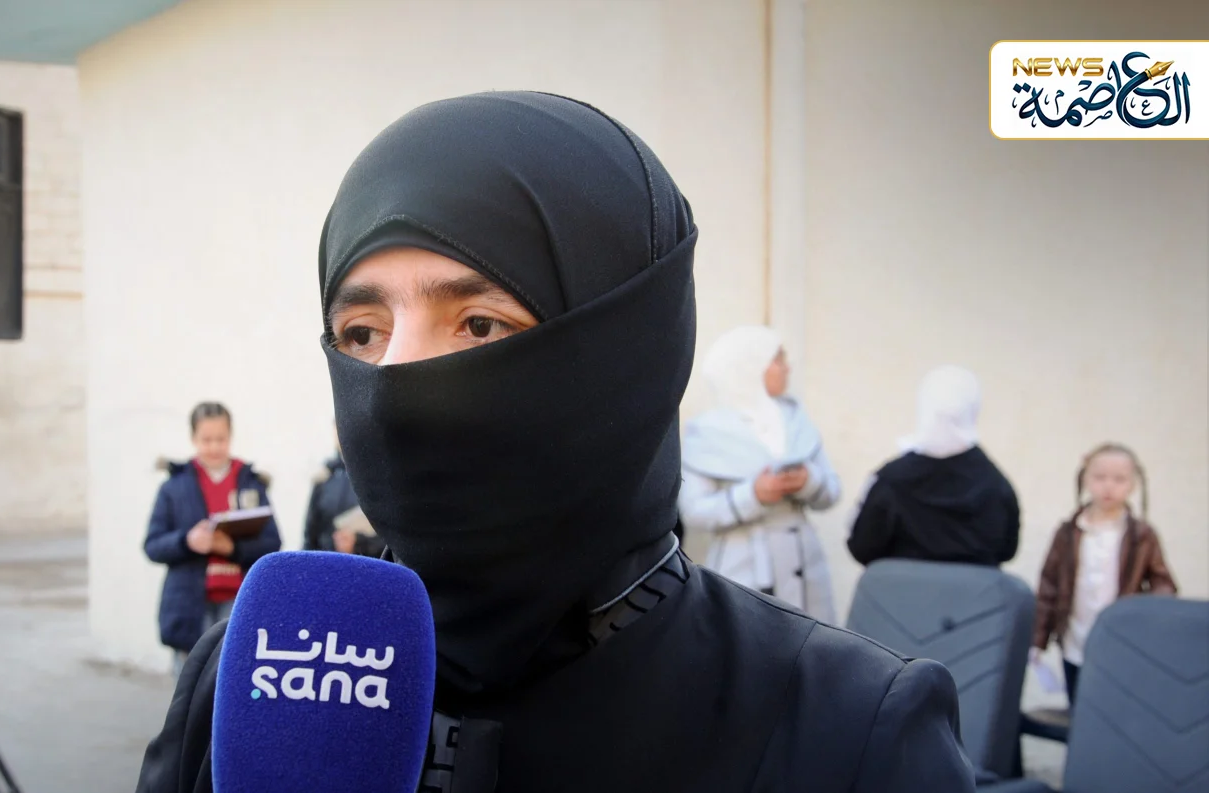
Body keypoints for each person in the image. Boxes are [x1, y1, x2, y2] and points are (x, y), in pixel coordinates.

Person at [136, 92, 974, 793]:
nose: (393, 385)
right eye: (361, 331)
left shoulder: (847, 729)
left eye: (478, 323)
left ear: (627, 352)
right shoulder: (253, 672)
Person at [678, 325, 841, 623]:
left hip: (804, 568)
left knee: (812, 644)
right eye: (778, 359)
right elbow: (694, 512)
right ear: (750, 366)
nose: (787, 367)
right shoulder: (709, 431)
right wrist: (752, 496)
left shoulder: (797, 421)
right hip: (742, 569)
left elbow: (831, 492)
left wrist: (808, 481)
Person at [1030, 442, 1177, 704]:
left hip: (1123, 643)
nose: (1109, 486)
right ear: (1085, 479)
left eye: (1119, 479)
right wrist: (1037, 640)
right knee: (1078, 705)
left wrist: (1147, 620)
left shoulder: (1141, 535)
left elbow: (1162, 583)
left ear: (1133, 484)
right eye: (1100, 477)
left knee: (1114, 708)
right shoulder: (1068, 532)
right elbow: (1048, 586)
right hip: (1074, 640)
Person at [142, 402, 282, 677]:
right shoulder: (173, 487)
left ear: (231, 436)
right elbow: (153, 545)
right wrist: (187, 541)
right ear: (193, 438)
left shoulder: (250, 482)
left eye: (221, 439)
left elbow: (272, 543)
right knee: (190, 684)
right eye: (206, 440)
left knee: (231, 679)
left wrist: (232, 548)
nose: (214, 447)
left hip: (237, 600)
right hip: (189, 603)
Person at [847, 365, 1020, 568]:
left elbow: (862, 547)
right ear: (974, 409)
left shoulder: (890, 480)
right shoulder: (995, 485)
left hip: (904, 588)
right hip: (973, 589)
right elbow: (1007, 549)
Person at [302, 424, 386, 558]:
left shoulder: (379, 475)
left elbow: (391, 539)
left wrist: (358, 543)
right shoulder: (325, 477)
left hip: (367, 562)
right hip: (327, 562)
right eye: (336, 426)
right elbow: (310, 535)